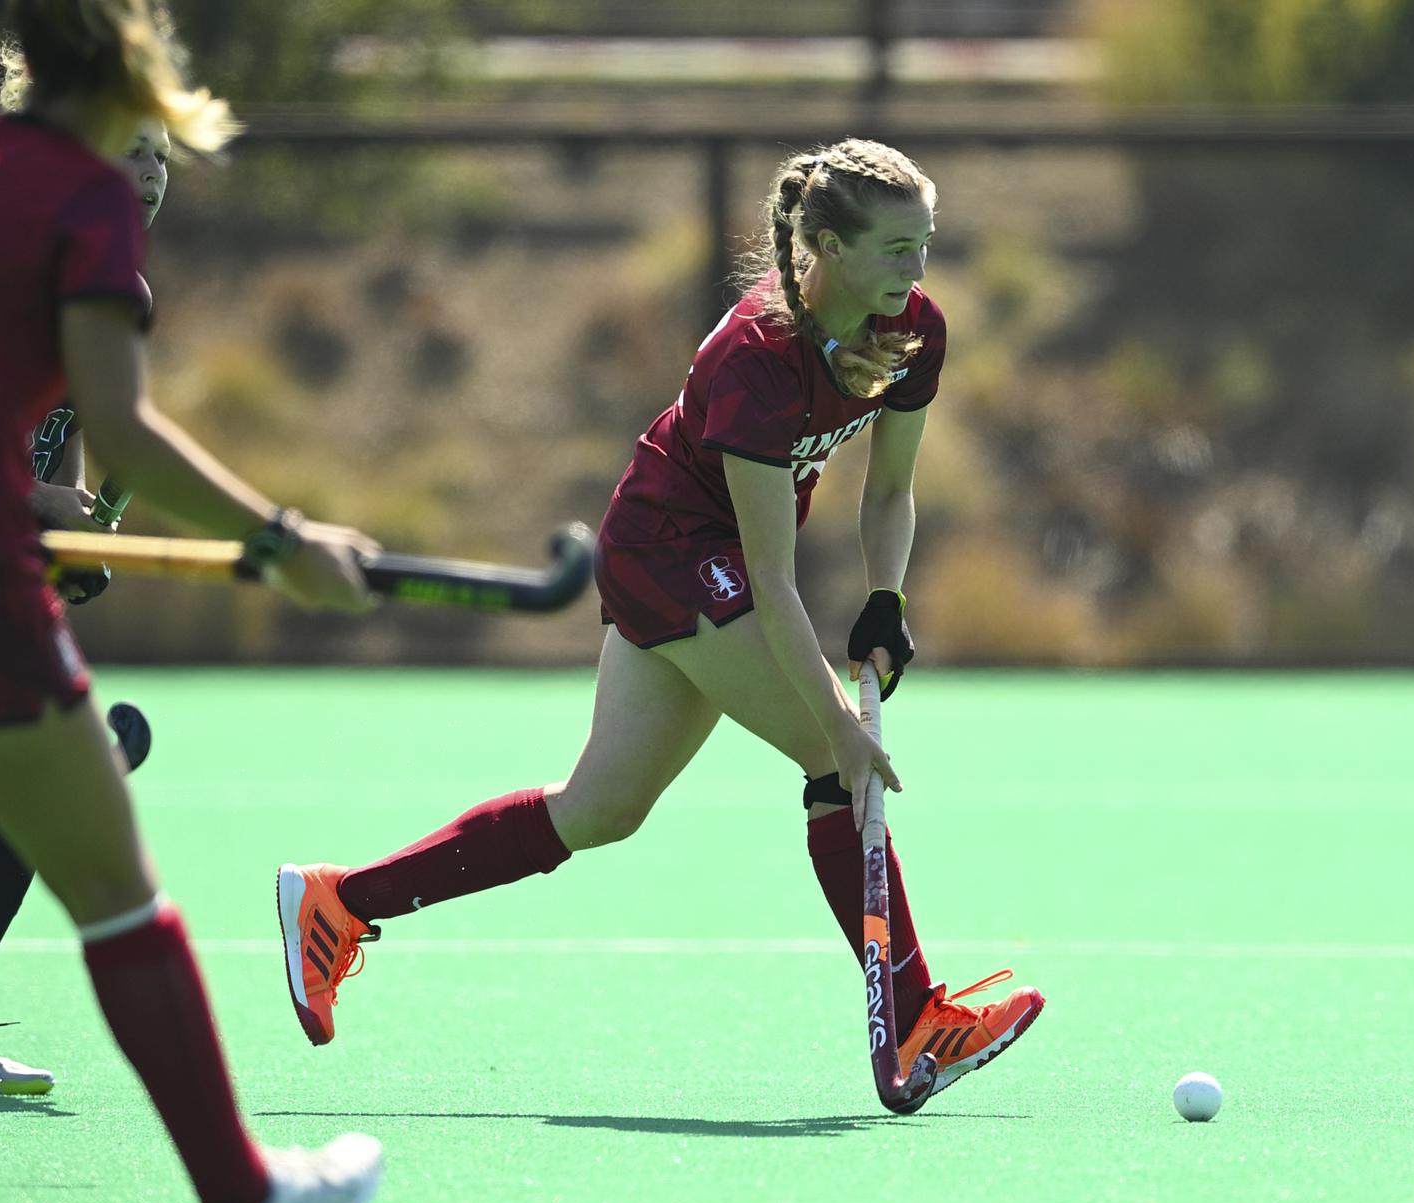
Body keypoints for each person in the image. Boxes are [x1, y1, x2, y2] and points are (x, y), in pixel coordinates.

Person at [277, 138, 1045, 1105]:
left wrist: (886, 597)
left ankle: (339, 902)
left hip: (710, 559)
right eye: (896, 248)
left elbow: (889, 490)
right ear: (826, 248)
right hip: (670, 552)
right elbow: (770, 575)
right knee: (827, 759)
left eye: (924, 244)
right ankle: (912, 1019)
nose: (917, 269)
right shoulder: (755, 360)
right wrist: (840, 730)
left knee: (600, 809)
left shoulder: (913, 328)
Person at [0, 2, 384, 1203]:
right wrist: (281, 543)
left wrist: (53, 517)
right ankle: (244, 1198)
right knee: (118, 885)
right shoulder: (81, 210)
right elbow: (114, 440)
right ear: (131, 68)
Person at [0, 76, 172, 1097]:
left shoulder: (120, 294)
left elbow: (53, 448)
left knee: (39, 789)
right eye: (127, 152)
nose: (148, 177)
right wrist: (33, 504)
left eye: (160, 157)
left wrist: (60, 524)